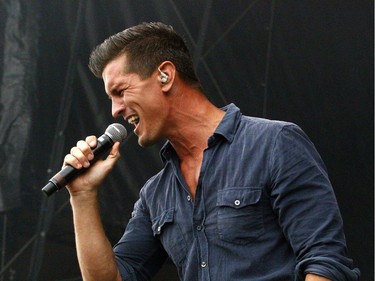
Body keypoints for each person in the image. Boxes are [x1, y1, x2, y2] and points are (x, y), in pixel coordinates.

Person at [63, 22, 360, 281]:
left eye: (119, 91)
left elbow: (325, 261)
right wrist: (83, 196)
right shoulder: (156, 194)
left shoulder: (273, 143)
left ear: (165, 75)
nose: (115, 110)